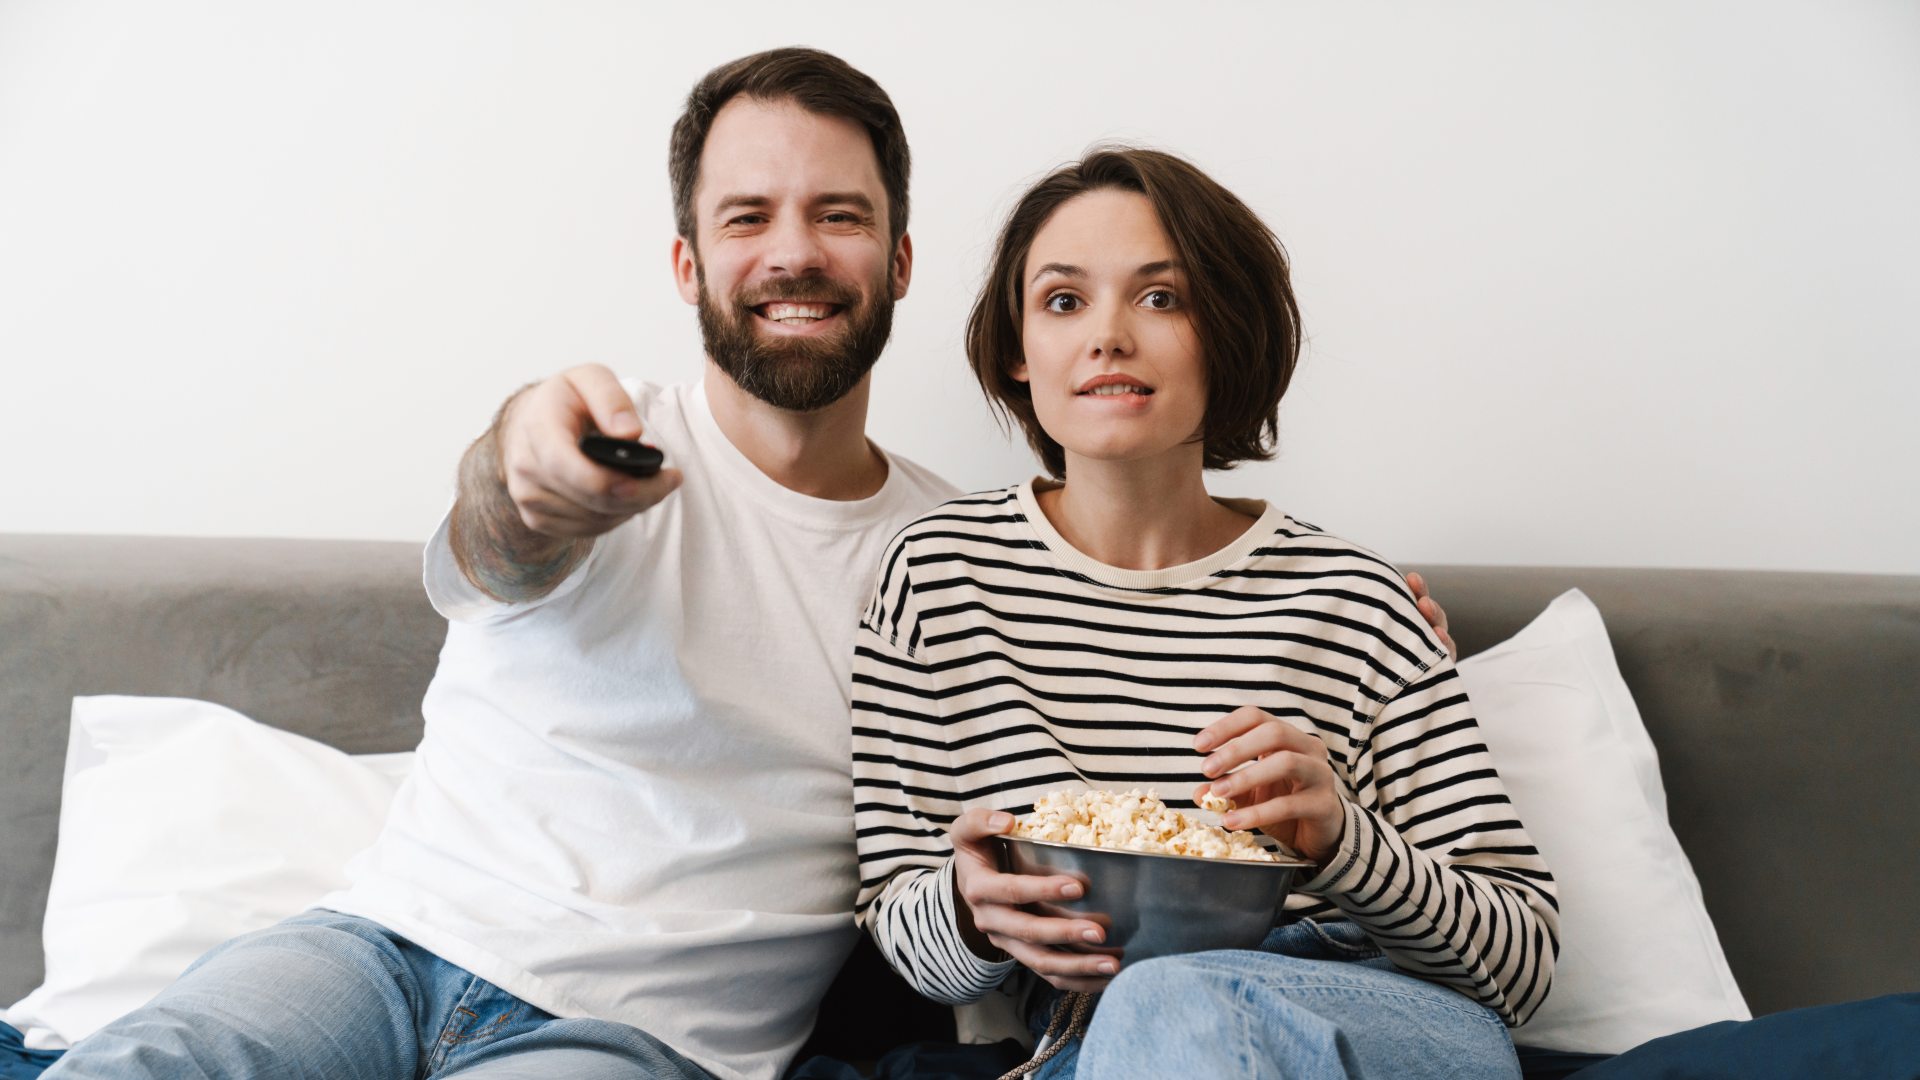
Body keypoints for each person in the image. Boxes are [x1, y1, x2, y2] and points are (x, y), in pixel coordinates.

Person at [40, 49, 1455, 1080]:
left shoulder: (955, 562)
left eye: (838, 215)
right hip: (374, 950)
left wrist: (1348, 625)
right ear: (684, 265)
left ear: (901, 262)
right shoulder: (599, 446)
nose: (795, 253)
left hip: (637, 1042)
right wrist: (525, 473)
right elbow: (498, 523)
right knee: (154, 1061)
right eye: (747, 218)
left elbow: (1128, 633)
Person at [849, 148, 1554, 1079]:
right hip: (1092, 1039)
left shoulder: (1355, 599)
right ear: (1019, 351)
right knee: (1159, 1007)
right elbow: (903, 931)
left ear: (1227, 333)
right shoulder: (935, 578)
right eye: (1064, 301)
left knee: (1176, 999)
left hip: (1370, 1011)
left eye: (1161, 298)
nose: (1107, 336)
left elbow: (1524, 962)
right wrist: (973, 907)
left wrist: (1345, 841)